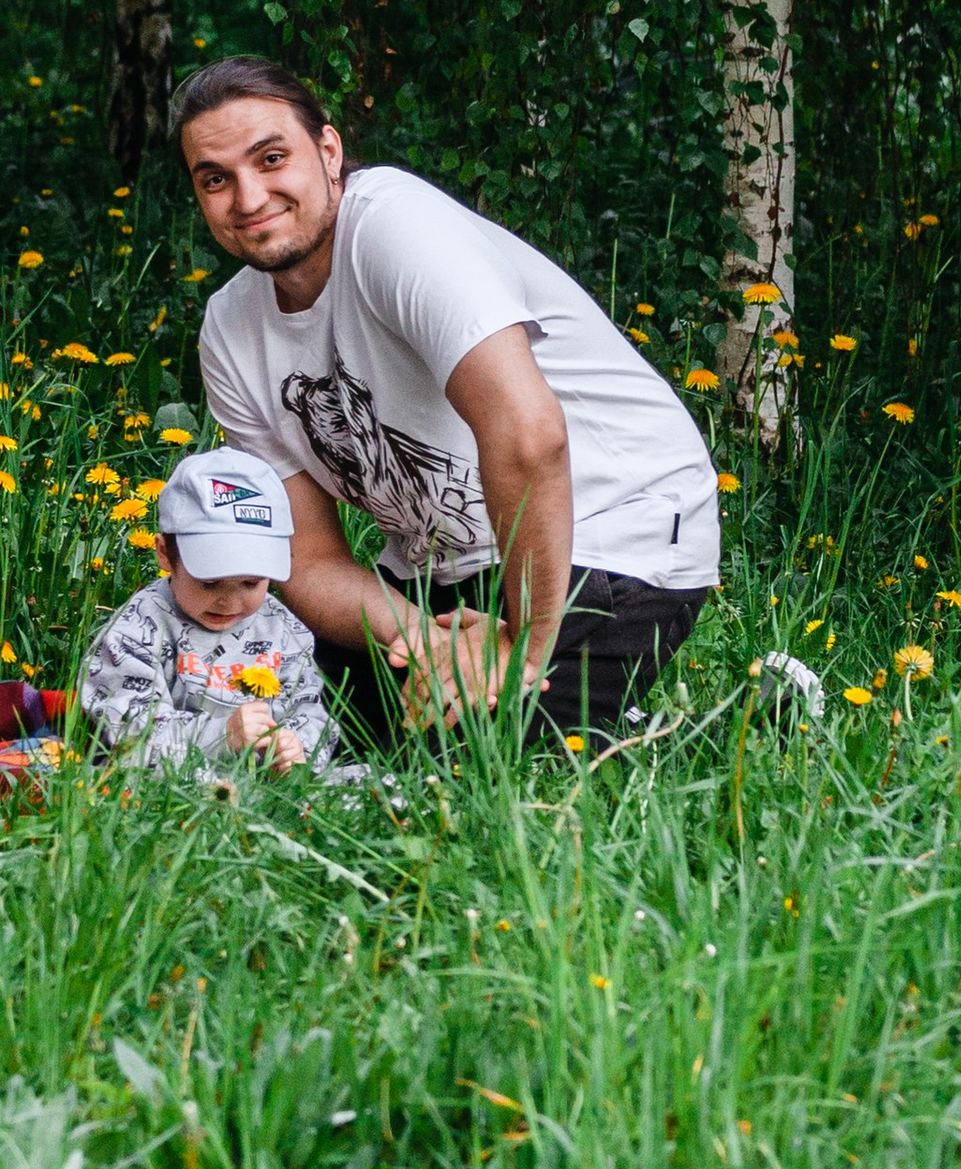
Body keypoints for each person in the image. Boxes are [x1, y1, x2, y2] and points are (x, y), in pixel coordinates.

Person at [177, 60, 717, 747]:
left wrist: (521, 647)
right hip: (445, 572)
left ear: (330, 152)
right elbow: (308, 560)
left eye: (272, 158)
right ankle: (613, 713)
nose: (248, 197)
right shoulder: (230, 331)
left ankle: (740, 723)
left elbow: (529, 436)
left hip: (613, 524)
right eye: (215, 179)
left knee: (470, 765)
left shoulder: (393, 227)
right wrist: (426, 646)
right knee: (294, 724)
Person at [78, 447, 334, 772]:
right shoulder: (138, 629)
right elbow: (129, 732)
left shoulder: (281, 628)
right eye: (209, 583)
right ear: (164, 554)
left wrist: (298, 749)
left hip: (265, 781)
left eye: (251, 583)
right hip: (174, 777)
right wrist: (221, 736)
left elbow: (309, 708)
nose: (229, 601)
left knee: (370, 785)